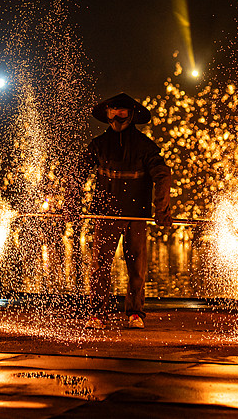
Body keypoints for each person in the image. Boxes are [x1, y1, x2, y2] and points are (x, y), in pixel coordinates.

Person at [73, 92, 172, 329]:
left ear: (131, 115)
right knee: (99, 266)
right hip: (106, 214)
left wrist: (162, 209)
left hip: (135, 215)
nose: (117, 116)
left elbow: (163, 174)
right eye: (113, 111)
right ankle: (97, 314)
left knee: (136, 267)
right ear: (107, 115)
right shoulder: (99, 145)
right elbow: (77, 173)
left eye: (122, 112)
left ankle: (135, 313)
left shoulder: (145, 147)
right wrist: (71, 204)